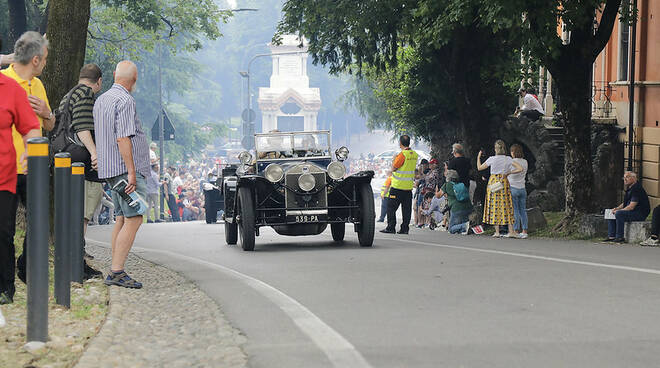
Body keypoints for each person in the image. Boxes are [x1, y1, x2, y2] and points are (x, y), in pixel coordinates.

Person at [3, 31, 54, 284]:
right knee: (5, 227)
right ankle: (6, 277)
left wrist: (48, 112)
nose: (46, 63)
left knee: (38, 222)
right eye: (44, 58)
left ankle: (26, 267)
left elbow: (50, 125)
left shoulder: (39, 85)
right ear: (35, 59)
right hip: (8, 168)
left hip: (34, 166)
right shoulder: (4, 80)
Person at [93, 60, 149, 289]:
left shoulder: (101, 100)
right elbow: (123, 138)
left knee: (121, 218)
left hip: (109, 170)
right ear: (133, 81)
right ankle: (117, 271)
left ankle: (114, 267)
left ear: (115, 75)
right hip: (125, 171)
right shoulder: (125, 100)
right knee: (135, 217)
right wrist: (133, 172)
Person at [0, 35, 41, 303]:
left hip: (4, 176)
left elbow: (31, 127)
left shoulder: (11, 89)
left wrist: (29, 148)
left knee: (3, 233)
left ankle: (5, 288)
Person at [57, 63, 104, 278]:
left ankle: (73, 259)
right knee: (83, 213)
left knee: (74, 211)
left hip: (65, 157)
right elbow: (83, 126)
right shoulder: (86, 94)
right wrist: (95, 153)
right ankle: (78, 263)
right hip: (81, 161)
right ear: (99, 81)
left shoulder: (68, 95)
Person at [477, 140, 523, 237]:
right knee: (507, 205)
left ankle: (497, 232)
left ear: (495, 149)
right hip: (503, 182)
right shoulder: (508, 159)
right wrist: (509, 173)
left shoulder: (492, 159)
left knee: (494, 205)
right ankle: (511, 231)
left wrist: (478, 157)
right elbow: (520, 169)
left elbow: (480, 168)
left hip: (493, 182)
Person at [380, 135, 418, 234]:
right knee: (406, 210)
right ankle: (405, 229)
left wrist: (394, 159)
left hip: (397, 187)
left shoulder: (402, 155)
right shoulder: (414, 154)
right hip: (408, 187)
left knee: (391, 208)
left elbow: (394, 168)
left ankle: (391, 227)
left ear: (400, 143)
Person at [604, 171, 650, 243]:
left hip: (639, 214)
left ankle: (620, 237)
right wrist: (617, 208)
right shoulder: (630, 188)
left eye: (627, 177)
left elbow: (631, 206)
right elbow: (625, 203)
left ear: (634, 178)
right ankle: (611, 236)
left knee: (619, 214)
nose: (625, 179)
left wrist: (619, 211)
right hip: (633, 212)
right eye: (624, 177)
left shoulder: (637, 189)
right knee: (610, 212)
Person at [439, 170, 473, 234]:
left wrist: (436, 192)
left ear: (448, 177)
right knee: (464, 225)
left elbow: (439, 195)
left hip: (456, 209)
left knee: (451, 229)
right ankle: (466, 227)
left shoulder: (447, 185)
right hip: (468, 207)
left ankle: (464, 226)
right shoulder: (461, 184)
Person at [508, 144, 529, 238]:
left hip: (513, 187)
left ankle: (516, 230)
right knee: (523, 210)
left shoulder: (511, 162)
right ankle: (525, 230)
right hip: (522, 187)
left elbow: (507, 173)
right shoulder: (525, 162)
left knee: (515, 210)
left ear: (513, 152)